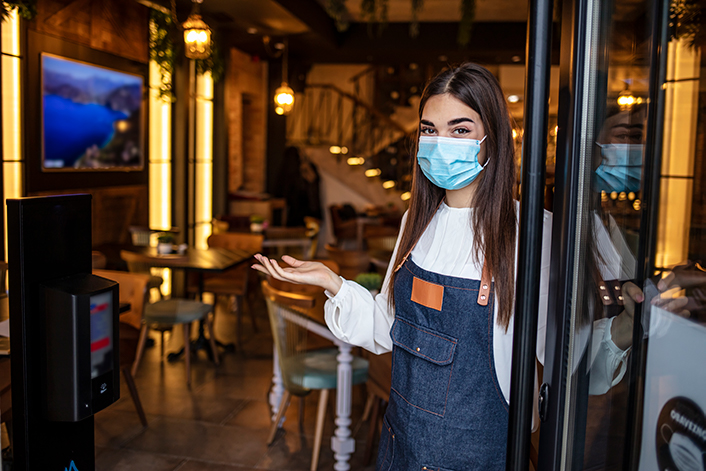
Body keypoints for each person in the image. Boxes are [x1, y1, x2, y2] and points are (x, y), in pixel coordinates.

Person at [253, 63, 633, 470]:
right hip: (400, 446)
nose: (441, 143)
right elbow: (386, 329)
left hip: (478, 455)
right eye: (429, 130)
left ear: (493, 139)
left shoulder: (532, 233)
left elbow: (568, 360)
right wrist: (334, 283)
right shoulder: (416, 221)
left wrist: (628, 326)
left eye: (460, 129)